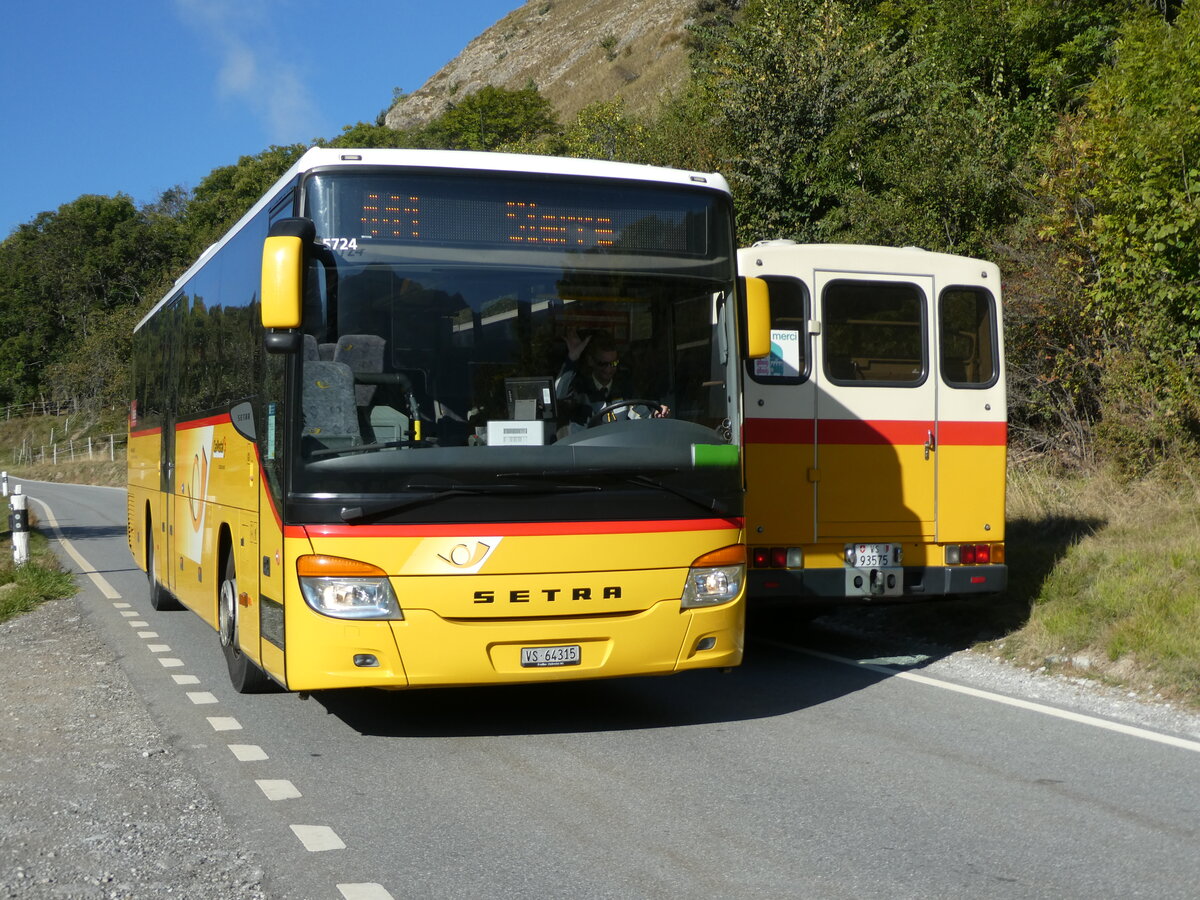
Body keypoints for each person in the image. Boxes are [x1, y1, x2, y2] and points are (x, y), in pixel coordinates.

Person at [555, 328, 669, 431]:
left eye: (613, 363)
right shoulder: (579, 388)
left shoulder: (625, 387)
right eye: (603, 364)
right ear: (591, 361)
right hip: (587, 450)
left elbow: (641, 412)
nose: (609, 369)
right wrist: (572, 359)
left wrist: (656, 414)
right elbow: (560, 396)